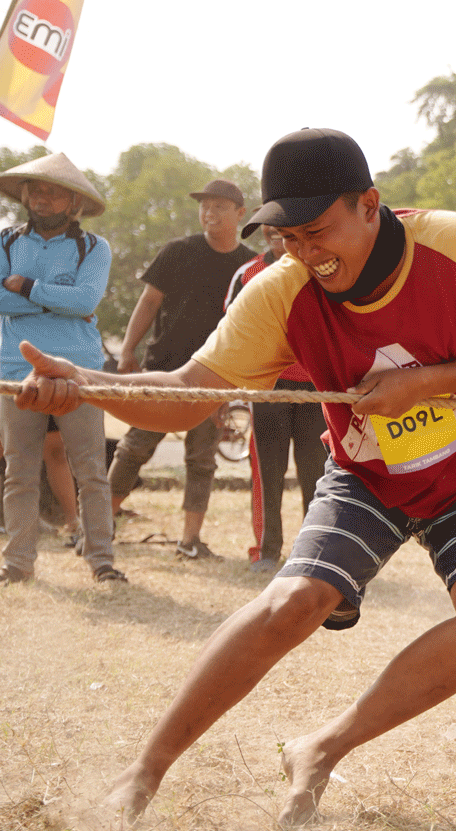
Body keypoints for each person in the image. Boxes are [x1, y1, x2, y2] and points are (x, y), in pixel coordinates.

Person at [16, 127, 456, 826]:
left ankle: (322, 748)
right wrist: (85, 384)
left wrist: (427, 383)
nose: (305, 253)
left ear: (370, 204)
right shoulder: (281, 291)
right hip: (367, 475)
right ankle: (143, 772)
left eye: (316, 232)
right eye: (286, 238)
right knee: (291, 602)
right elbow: (187, 393)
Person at [109, 178, 255, 559]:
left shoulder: (249, 266)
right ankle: (97, 528)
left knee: (201, 460)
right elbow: (148, 302)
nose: (210, 212)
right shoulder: (177, 251)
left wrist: (235, 385)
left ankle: (190, 542)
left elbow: (253, 330)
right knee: (133, 449)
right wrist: (127, 351)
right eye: (205, 206)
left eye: (220, 206)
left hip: (214, 376)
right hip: (164, 370)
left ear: (240, 214)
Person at [0, 152, 124, 584]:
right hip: (16, 368)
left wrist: (27, 285)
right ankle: (17, 565)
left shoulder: (94, 247)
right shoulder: (5, 242)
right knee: (19, 470)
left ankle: (102, 562)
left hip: (79, 369)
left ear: (74, 204)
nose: (43, 198)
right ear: (25, 195)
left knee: (91, 471)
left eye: (55, 192)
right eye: (37, 190)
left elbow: (85, 301)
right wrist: (58, 296)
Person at [226, 223, 329, 572]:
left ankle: (313, 549)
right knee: (267, 470)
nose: (274, 235)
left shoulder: (323, 268)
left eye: (281, 229)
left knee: (315, 470)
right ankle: (267, 550)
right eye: (269, 230)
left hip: (315, 386)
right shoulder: (249, 273)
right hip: (267, 386)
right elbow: (231, 329)